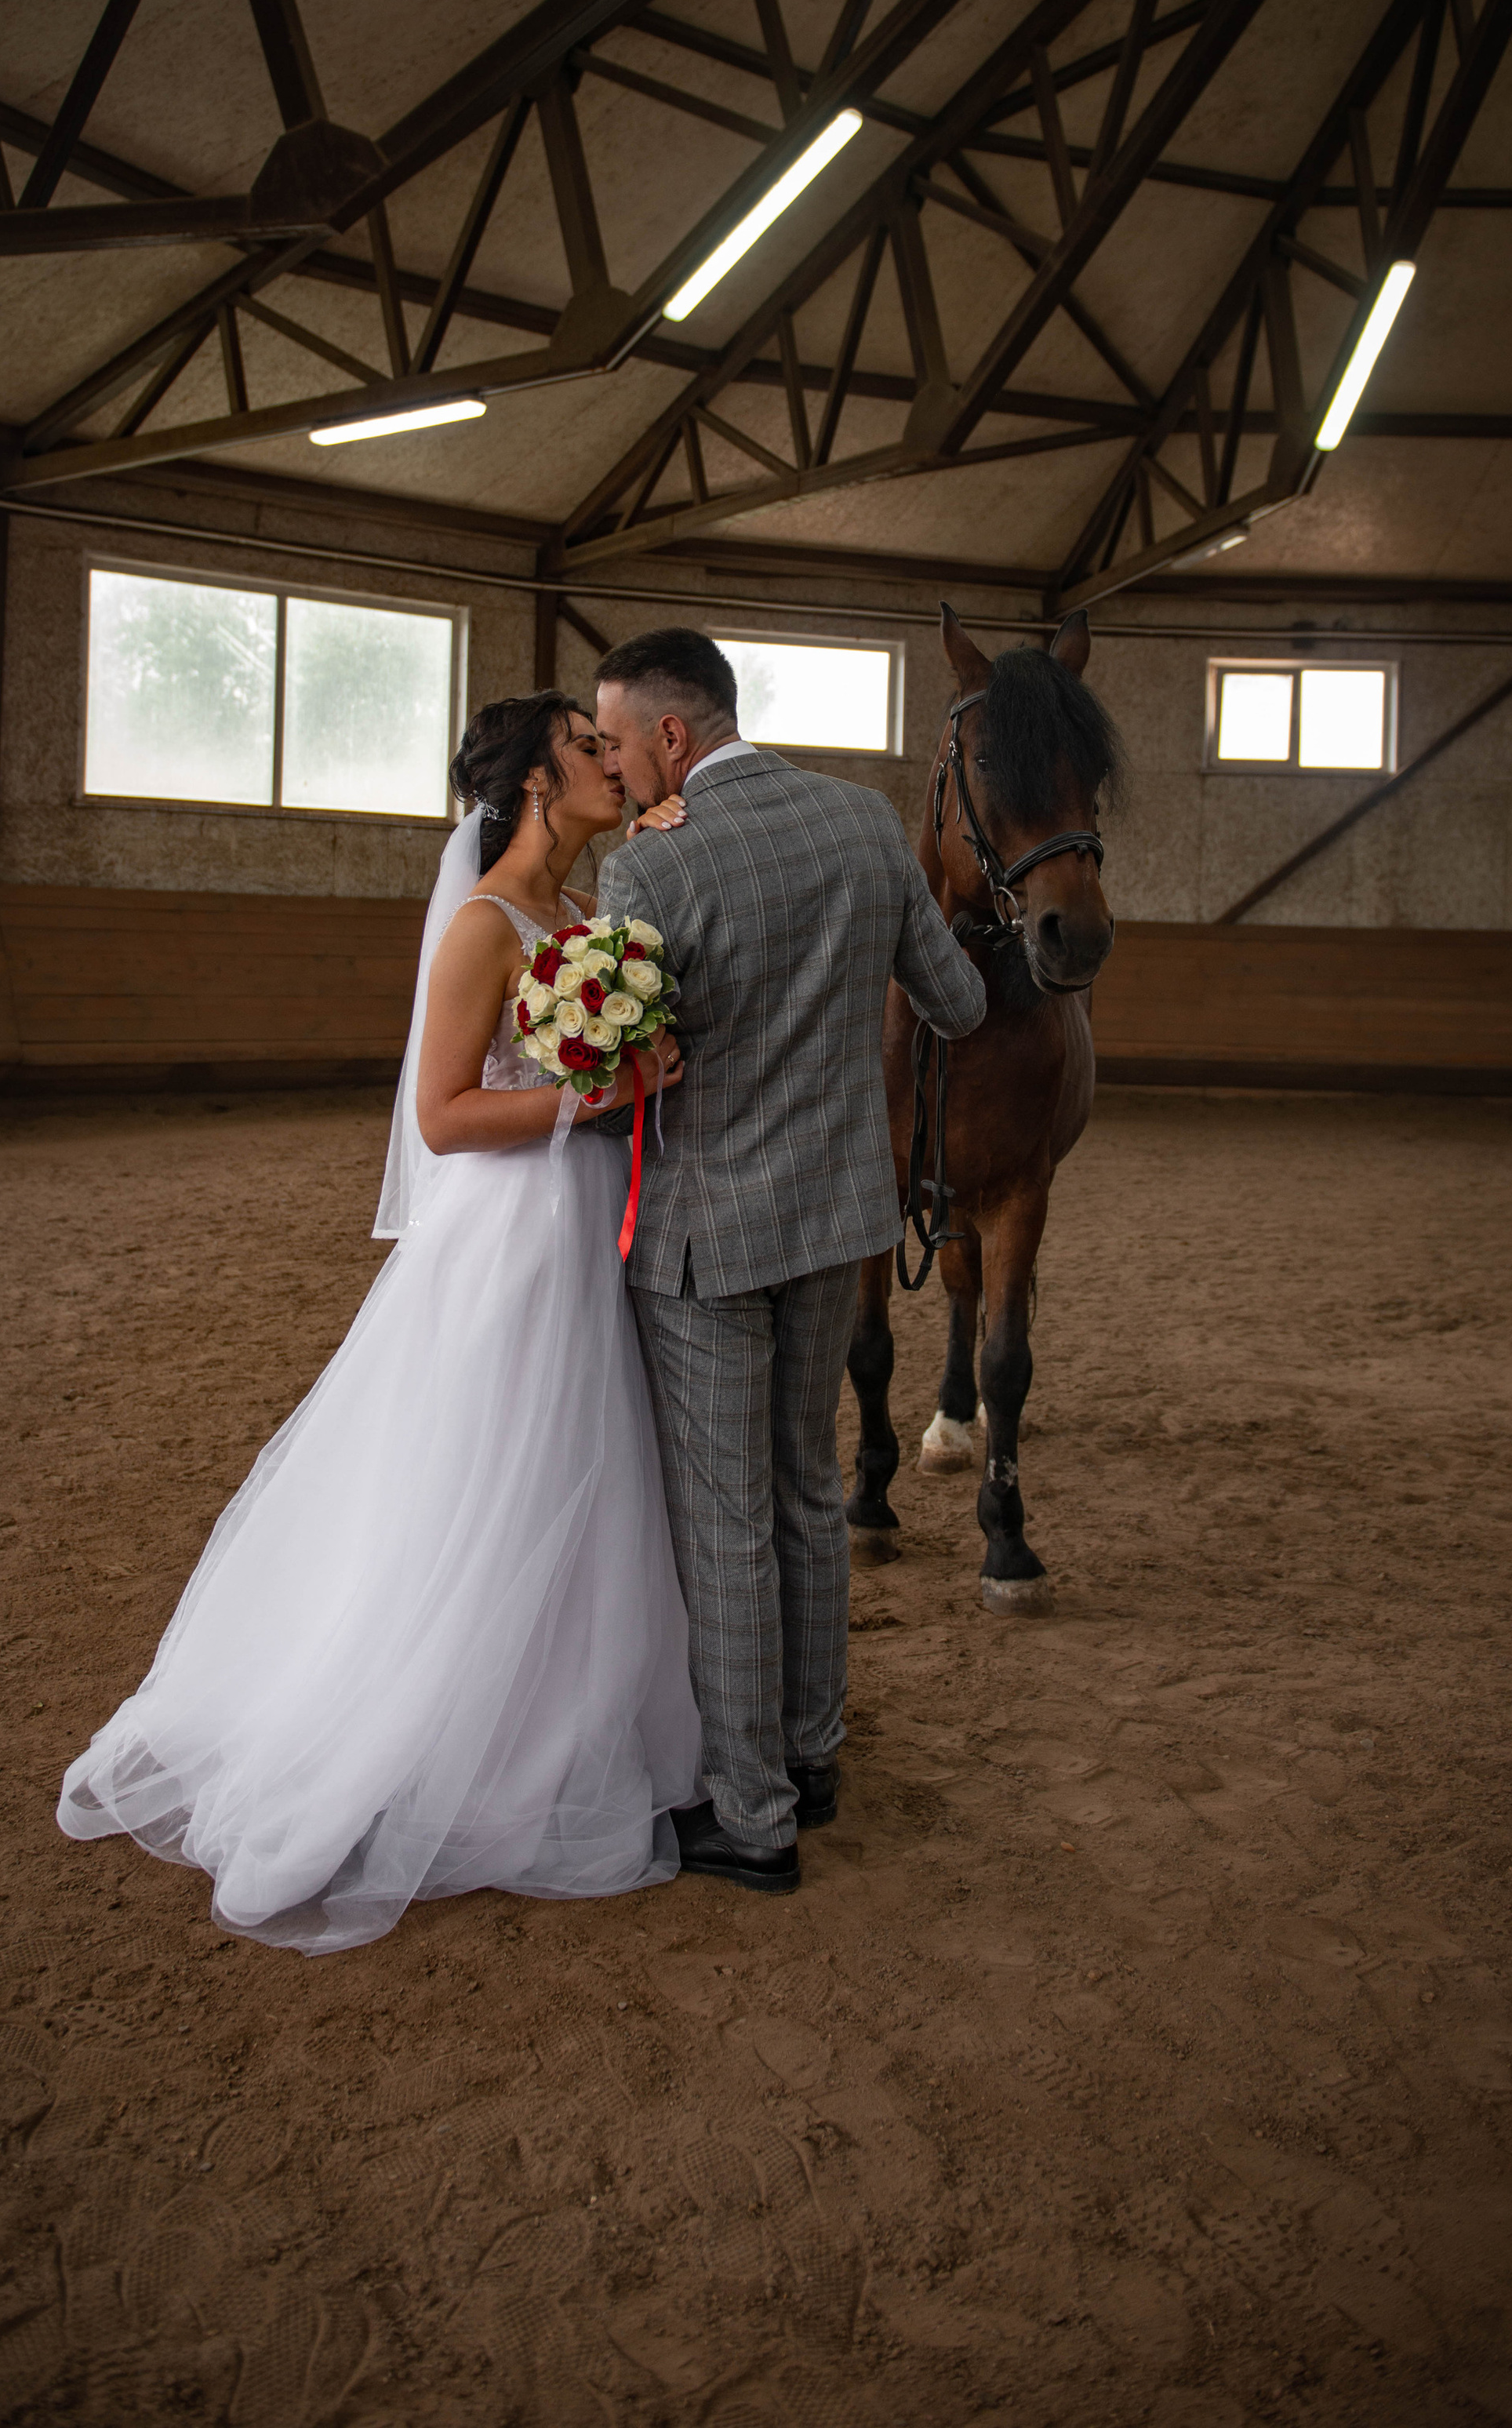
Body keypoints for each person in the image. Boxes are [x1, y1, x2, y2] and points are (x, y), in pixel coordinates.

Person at [56, 695, 700, 1954]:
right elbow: (448, 1118)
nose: (610, 763)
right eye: (585, 746)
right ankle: (424, 1737)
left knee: (579, 1471)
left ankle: (553, 1726)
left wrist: (633, 1078)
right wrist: (598, 1094)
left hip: (582, 1230)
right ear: (529, 782)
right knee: (492, 1477)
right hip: (508, 1240)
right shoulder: (484, 928)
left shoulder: (585, 925)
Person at [595, 628, 986, 1895]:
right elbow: (959, 1006)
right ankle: (815, 1757)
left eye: (613, 741)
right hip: (840, 1223)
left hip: (709, 1239)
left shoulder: (648, 871)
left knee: (726, 1527)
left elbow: (621, 1076)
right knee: (810, 1494)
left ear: (671, 739)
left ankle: (754, 1815)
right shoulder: (868, 825)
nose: (613, 766)